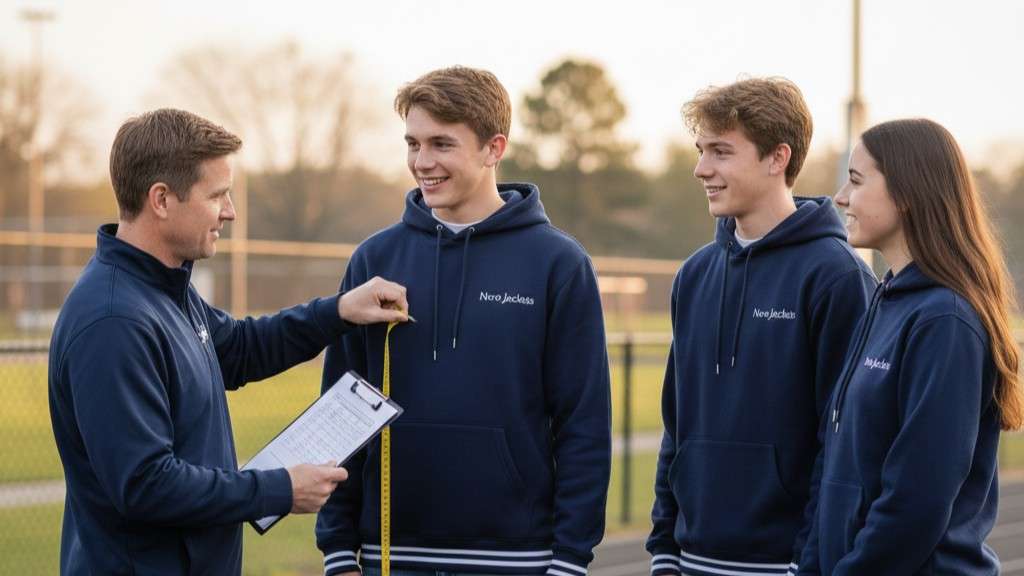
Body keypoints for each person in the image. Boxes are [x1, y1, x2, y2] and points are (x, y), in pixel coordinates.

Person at [48, 108, 411, 576]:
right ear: (161, 199)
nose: (230, 211)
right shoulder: (114, 319)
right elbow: (145, 485)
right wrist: (278, 489)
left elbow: (240, 349)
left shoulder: (165, 289)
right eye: (217, 194)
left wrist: (338, 311)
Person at [315, 66, 612, 576]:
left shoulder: (558, 264)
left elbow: (583, 423)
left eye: (441, 144)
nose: (422, 162)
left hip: (522, 558)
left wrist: (569, 559)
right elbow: (343, 410)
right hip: (391, 556)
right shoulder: (374, 260)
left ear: (493, 148)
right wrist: (339, 549)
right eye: (413, 143)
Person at [646, 78, 877, 576]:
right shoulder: (695, 275)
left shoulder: (837, 276)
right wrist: (664, 545)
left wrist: (807, 561)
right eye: (701, 150)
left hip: (784, 565)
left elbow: (841, 446)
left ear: (777, 158)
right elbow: (677, 424)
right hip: (690, 560)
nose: (701, 168)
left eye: (721, 152)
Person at [795, 118, 1023, 575]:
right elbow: (836, 464)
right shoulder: (884, 299)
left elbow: (916, 501)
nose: (840, 197)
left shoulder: (945, 321)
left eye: (856, 181)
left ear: (907, 192)